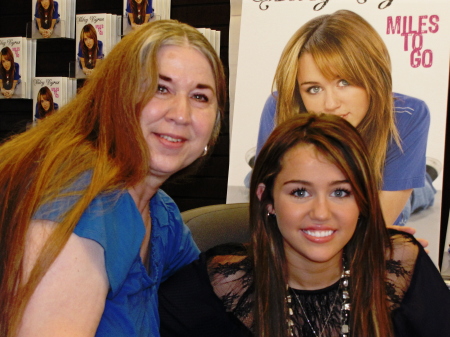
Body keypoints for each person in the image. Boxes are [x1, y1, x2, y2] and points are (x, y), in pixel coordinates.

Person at [0, 19, 226, 337]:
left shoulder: (161, 215)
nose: (181, 114)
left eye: (200, 97)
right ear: (118, 96)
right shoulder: (86, 201)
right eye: (161, 88)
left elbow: (213, 287)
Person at [159, 114, 450, 337]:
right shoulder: (222, 283)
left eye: (341, 192)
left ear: (362, 200)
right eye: (300, 192)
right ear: (267, 199)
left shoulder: (400, 266)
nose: (321, 213)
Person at [255, 10, 434, 227]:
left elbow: (375, 226)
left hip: (380, 182)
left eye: (344, 83)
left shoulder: (407, 115)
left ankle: (422, 175)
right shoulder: (280, 106)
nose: (330, 104)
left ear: (373, 75)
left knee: (418, 192)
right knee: (264, 178)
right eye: (313, 89)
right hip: (316, 185)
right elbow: (268, 205)